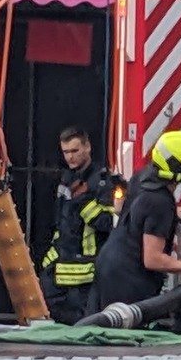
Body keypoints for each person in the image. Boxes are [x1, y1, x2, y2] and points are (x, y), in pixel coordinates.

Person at [86, 131, 181, 314]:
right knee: (122, 336)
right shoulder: (160, 202)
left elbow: (131, 212)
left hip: (109, 265)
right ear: (180, 168)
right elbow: (152, 259)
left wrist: (174, 215)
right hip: (129, 278)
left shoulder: (141, 177)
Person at [38, 126, 119, 324]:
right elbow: (61, 221)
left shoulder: (102, 182)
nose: (70, 157)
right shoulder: (67, 179)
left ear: (87, 147)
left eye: (75, 151)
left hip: (87, 270)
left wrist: (82, 199)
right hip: (59, 264)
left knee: (82, 323)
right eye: (66, 152)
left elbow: (108, 223)